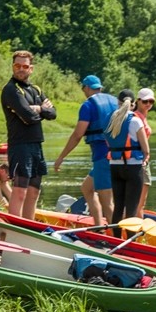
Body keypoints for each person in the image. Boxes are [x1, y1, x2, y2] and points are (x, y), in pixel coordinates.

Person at [54, 75, 118, 226]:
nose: (83, 92)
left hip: (103, 156)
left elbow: (77, 135)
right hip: (118, 155)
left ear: (87, 88)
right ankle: (98, 226)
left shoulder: (88, 106)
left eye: (83, 89)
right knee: (87, 188)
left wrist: (61, 157)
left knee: (107, 201)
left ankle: (118, 238)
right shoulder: (116, 102)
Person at [0, 50, 56, 219]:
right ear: (13, 66)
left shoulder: (35, 89)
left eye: (25, 66)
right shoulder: (11, 90)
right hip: (20, 145)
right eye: (17, 65)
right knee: (20, 192)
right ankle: (15, 228)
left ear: (31, 69)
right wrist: (41, 110)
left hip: (36, 144)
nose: (21, 69)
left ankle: (28, 226)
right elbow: (29, 117)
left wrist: (39, 108)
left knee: (34, 193)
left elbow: (53, 113)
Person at [104, 89, 150, 237]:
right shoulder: (136, 120)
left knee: (118, 206)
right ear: (133, 103)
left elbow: (108, 142)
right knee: (131, 208)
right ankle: (130, 241)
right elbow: (146, 149)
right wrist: (145, 159)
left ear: (118, 102)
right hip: (133, 168)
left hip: (114, 167)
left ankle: (116, 239)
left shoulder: (109, 119)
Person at [134, 88, 155, 217]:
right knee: (140, 201)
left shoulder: (142, 117)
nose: (148, 104)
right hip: (140, 160)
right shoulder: (136, 117)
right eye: (145, 101)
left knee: (140, 200)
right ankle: (138, 228)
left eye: (151, 101)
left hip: (142, 160)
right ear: (138, 101)